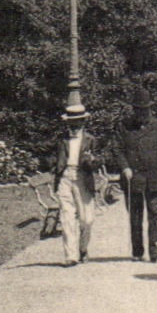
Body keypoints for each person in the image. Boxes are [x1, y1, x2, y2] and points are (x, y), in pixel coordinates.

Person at [116, 90, 157, 262]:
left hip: (154, 178)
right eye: (138, 110)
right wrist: (125, 167)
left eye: (144, 109)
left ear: (149, 109)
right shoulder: (124, 126)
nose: (142, 113)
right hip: (134, 179)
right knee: (135, 216)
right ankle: (137, 251)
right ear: (134, 110)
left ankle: (155, 252)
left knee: (154, 215)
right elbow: (117, 149)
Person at [52, 112, 102, 266]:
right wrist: (54, 166)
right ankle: (71, 256)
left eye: (77, 123)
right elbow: (54, 158)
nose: (73, 127)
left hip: (83, 178)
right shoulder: (62, 140)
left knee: (87, 219)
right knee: (67, 217)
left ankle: (82, 248)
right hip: (65, 178)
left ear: (83, 122)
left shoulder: (90, 140)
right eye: (70, 123)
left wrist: (93, 160)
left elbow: (100, 160)